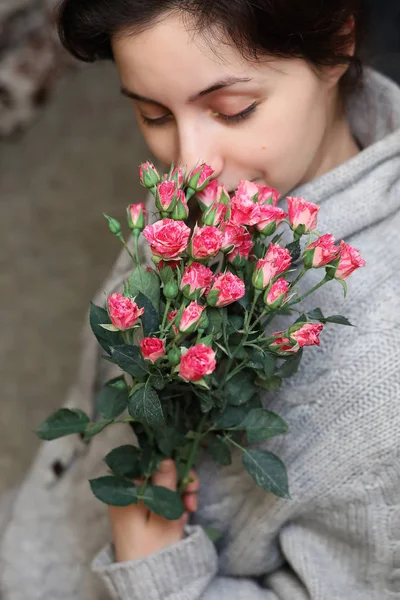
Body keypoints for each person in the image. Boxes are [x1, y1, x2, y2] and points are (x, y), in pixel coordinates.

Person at [1, 0, 400, 598]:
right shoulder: (240, 180)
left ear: (339, 44)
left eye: (234, 112)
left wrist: (158, 575)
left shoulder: (382, 373)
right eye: (154, 114)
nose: (190, 168)